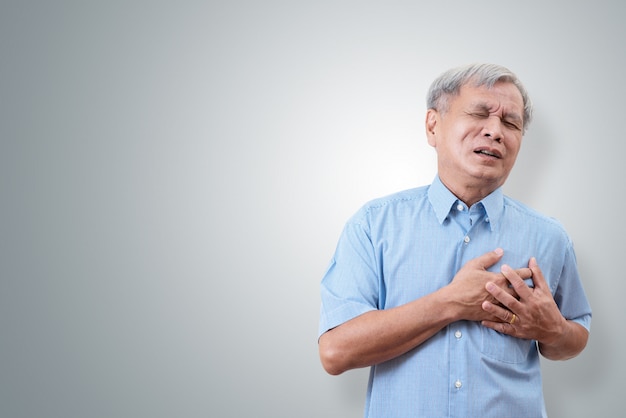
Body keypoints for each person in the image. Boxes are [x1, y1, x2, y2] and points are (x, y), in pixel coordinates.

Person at [317, 63, 591, 418]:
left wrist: (552, 330)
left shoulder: (550, 237)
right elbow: (336, 352)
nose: (495, 131)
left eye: (511, 123)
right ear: (433, 126)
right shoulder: (374, 225)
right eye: (479, 113)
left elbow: (575, 335)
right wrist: (451, 303)